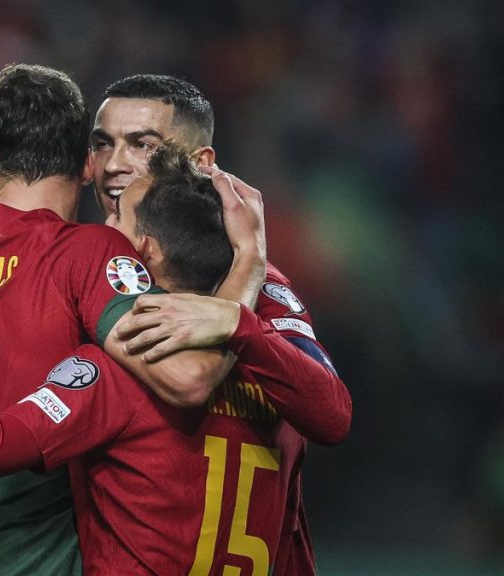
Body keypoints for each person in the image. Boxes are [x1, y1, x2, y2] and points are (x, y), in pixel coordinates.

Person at [0, 142, 351, 574]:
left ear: (143, 250)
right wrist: (246, 293)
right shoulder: (272, 360)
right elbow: (334, 416)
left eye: (117, 218)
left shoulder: (115, 374)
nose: (102, 229)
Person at [90, 74, 350, 573]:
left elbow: (332, 415)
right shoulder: (79, 272)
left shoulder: (268, 290)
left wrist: (240, 313)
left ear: (202, 163)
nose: (114, 164)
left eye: (141, 144)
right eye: (103, 144)